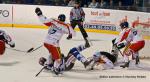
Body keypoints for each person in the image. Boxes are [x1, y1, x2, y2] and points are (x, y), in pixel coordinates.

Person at [35, 7, 75, 75]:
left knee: (51, 53)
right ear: (64, 20)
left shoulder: (53, 21)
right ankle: (56, 69)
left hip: (46, 42)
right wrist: (69, 25)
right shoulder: (65, 26)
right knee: (58, 59)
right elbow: (73, 33)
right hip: (54, 44)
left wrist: (39, 14)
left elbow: (44, 20)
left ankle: (47, 63)